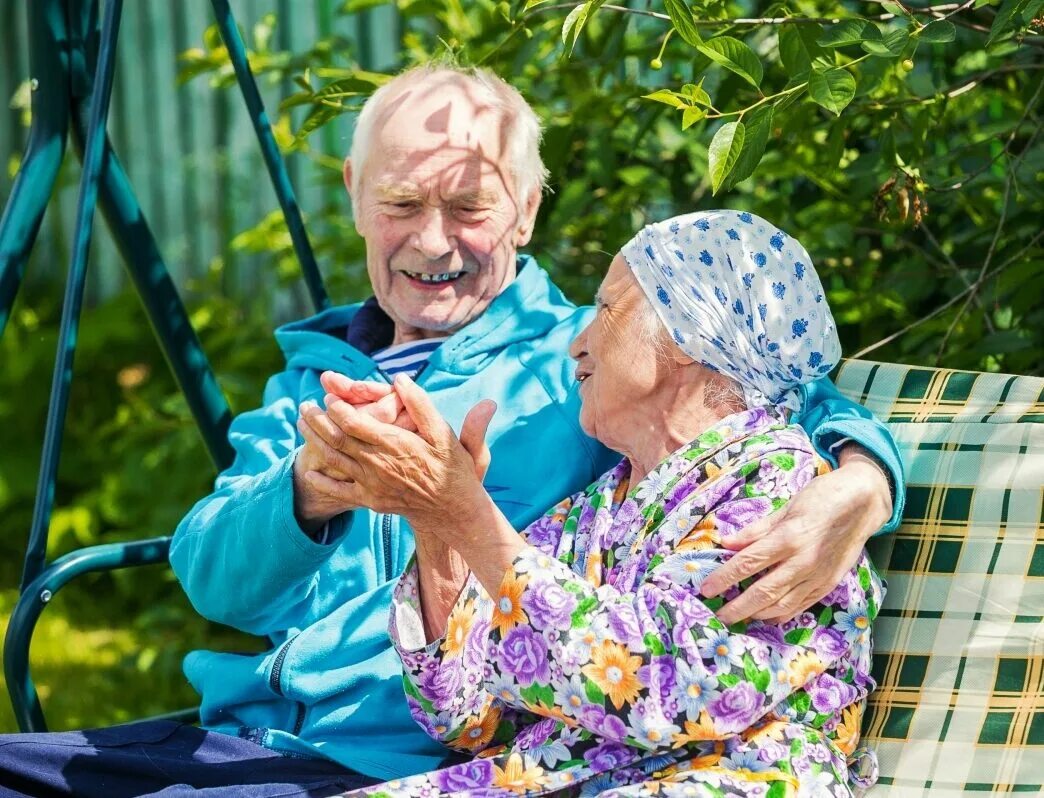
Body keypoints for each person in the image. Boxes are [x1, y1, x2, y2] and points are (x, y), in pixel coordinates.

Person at [0, 66, 901, 797]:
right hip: (256, 733)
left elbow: (779, 395)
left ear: (529, 209)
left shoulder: (601, 356)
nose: (433, 244)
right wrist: (312, 490)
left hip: (406, 755)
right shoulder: (312, 381)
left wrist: (861, 483)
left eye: (470, 207)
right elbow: (214, 578)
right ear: (355, 195)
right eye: (401, 204)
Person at [325, 210, 884, 797]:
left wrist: (467, 513)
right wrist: (436, 525)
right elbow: (464, 716)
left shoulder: (779, 486)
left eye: (608, 309)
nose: (577, 343)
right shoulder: (594, 510)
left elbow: (652, 687)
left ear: (690, 336)